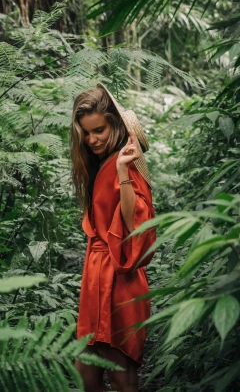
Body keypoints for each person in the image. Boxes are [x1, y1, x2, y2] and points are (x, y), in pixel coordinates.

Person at [70, 83, 157, 392]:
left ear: (116, 125)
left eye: (100, 130)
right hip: (97, 275)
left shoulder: (125, 165)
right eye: (87, 133)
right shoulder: (101, 162)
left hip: (118, 280)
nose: (92, 139)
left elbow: (134, 223)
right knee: (87, 365)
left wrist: (122, 171)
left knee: (121, 376)